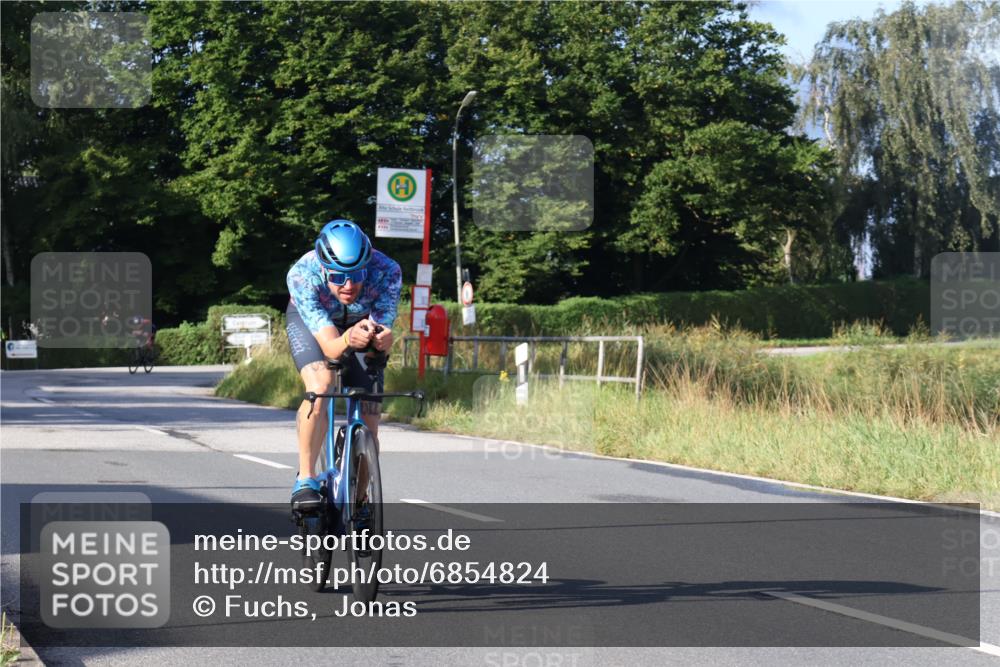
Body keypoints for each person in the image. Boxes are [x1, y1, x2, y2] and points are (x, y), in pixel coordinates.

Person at [285, 219, 401, 510]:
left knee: (370, 419)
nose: (349, 286)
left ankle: (360, 500)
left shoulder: (387, 270)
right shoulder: (302, 275)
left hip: (361, 325)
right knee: (321, 385)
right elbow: (331, 348)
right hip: (313, 326)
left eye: (357, 275)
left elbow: (382, 329)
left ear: (367, 265)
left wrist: (384, 339)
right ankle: (306, 479)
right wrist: (349, 337)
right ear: (324, 269)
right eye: (338, 277)